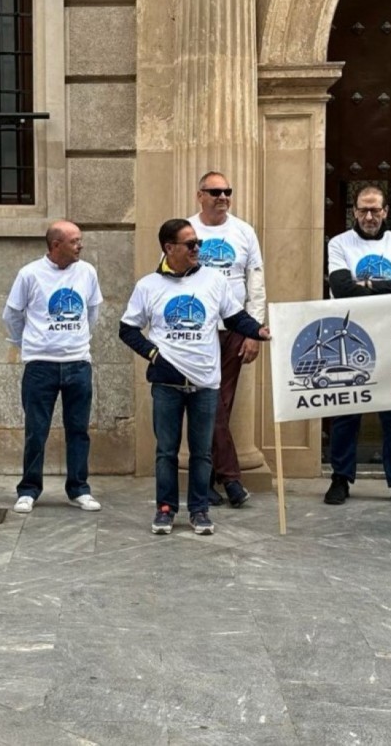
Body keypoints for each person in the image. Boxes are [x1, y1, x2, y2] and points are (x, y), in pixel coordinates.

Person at [119, 219, 270, 536]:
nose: (197, 249)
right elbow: (127, 329)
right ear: (169, 248)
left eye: (198, 243)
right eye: (190, 244)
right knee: (166, 452)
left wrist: (257, 329)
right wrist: (153, 355)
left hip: (205, 384)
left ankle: (199, 510)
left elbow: (234, 316)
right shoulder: (149, 285)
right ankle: (165, 510)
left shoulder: (214, 280)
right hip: (167, 385)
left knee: (202, 452)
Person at [323, 186, 391, 509]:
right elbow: (341, 289)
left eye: (375, 210)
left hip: (389, 335)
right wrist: (387, 288)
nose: (369, 216)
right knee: (346, 410)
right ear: (354, 211)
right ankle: (341, 477)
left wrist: (366, 284)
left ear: (385, 212)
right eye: (363, 210)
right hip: (349, 332)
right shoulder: (339, 243)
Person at [3, 220, 104, 513]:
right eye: (74, 241)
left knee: (78, 429)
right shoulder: (30, 274)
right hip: (40, 366)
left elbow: (92, 311)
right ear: (56, 245)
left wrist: (78, 340)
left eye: (80, 240)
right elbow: (12, 315)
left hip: (78, 363)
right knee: (36, 430)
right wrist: (29, 345)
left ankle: (79, 488)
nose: (80, 245)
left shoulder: (87, 272)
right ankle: (29, 489)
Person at [186, 172, 266, 508]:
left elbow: (256, 282)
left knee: (221, 403)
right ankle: (229, 479)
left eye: (227, 191)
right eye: (215, 191)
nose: (222, 197)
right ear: (199, 195)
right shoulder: (187, 230)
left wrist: (254, 331)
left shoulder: (244, 231)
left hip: (234, 329)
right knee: (211, 402)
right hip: (196, 330)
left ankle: (207, 479)